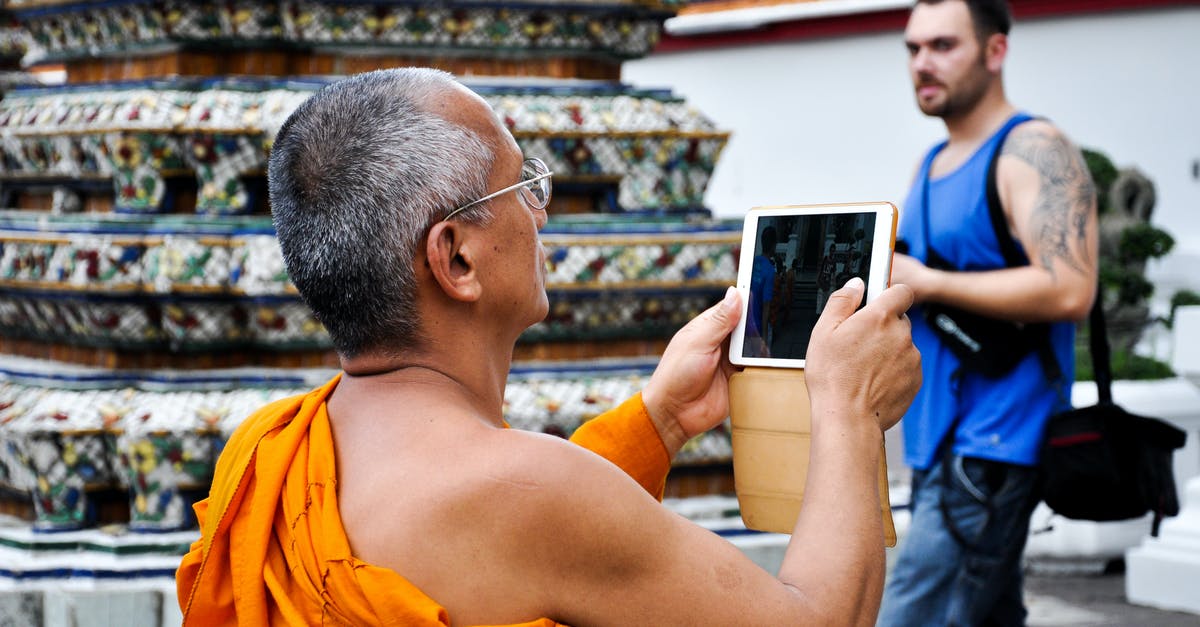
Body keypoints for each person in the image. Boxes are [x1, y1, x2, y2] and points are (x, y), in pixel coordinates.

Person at [175, 67, 921, 626]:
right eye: (521, 184)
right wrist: (849, 409)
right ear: (456, 259)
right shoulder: (528, 491)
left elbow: (518, 542)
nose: (539, 210)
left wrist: (660, 420)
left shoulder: (265, 453)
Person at [879, 1, 1099, 625]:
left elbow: (1069, 288)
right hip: (934, 438)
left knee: (915, 614)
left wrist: (932, 282)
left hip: (994, 439)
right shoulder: (931, 162)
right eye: (913, 48)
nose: (922, 63)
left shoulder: (1032, 148)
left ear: (995, 51)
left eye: (943, 45)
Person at [748, 225, 778, 354]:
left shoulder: (752, 262)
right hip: (758, 328)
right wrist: (764, 340)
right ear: (773, 245)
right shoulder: (770, 270)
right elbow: (766, 307)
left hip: (745, 324)